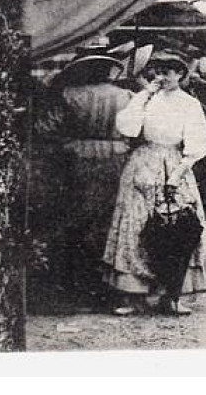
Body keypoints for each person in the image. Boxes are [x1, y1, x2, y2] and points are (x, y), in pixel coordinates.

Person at [102, 50, 206, 315]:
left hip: (174, 163)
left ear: (180, 74)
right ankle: (134, 295)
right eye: (158, 71)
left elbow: (197, 143)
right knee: (135, 224)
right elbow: (129, 129)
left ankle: (172, 294)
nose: (162, 77)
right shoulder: (145, 99)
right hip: (143, 163)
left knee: (176, 225)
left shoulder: (189, 103)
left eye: (168, 71)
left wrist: (177, 175)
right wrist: (144, 96)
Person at [35, 40, 133, 304]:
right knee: (111, 221)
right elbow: (136, 132)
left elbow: (46, 128)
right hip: (117, 160)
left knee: (75, 219)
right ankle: (108, 286)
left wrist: (68, 143)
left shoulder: (68, 94)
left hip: (76, 161)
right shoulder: (126, 97)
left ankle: (75, 285)